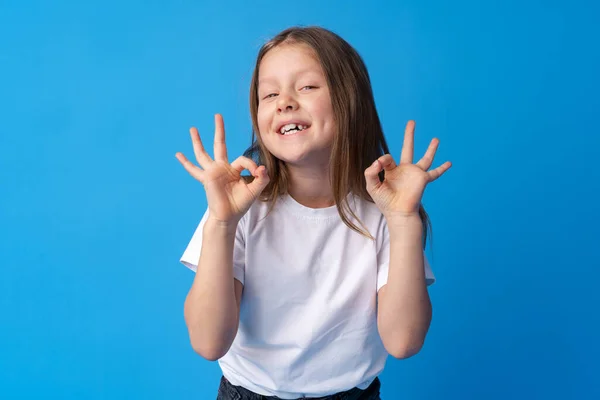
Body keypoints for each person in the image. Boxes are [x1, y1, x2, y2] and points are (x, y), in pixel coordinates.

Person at [175, 26, 451, 400]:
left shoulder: (385, 210)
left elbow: (403, 342)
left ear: (349, 100)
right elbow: (209, 343)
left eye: (306, 87)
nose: (284, 102)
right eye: (269, 93)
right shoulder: (239, 208)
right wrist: (221, 224)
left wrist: (404, 223)